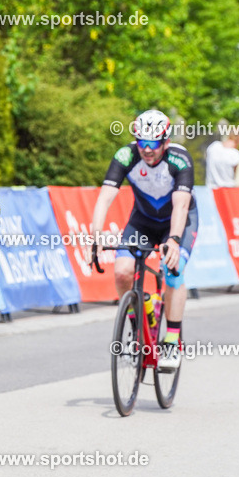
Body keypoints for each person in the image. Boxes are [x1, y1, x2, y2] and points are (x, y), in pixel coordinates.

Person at [90, 109, 198, 371]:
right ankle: (135, 326)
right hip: (142, 221)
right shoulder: (126, 156)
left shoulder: (180, 159)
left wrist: (173, 240)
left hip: (177, 221)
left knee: (173, 270)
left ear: (165, 142)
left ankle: (172, 341)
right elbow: (105, 197)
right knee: (122, 272)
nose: (147, 150)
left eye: (153, 144)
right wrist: (95, 235)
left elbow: (181, 206)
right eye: (141, 142)